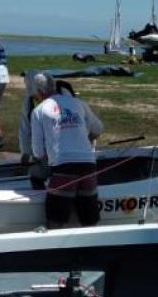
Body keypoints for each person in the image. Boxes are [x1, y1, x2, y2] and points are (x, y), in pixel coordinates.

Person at [29, 73, 104, 228]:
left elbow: (38, 152)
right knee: (90, 220)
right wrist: (83, 139)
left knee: (55, 221)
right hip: (88, 165)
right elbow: (98, 129)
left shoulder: (38, 111)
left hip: (63, 167)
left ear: (38, 92)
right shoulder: (78, 103)